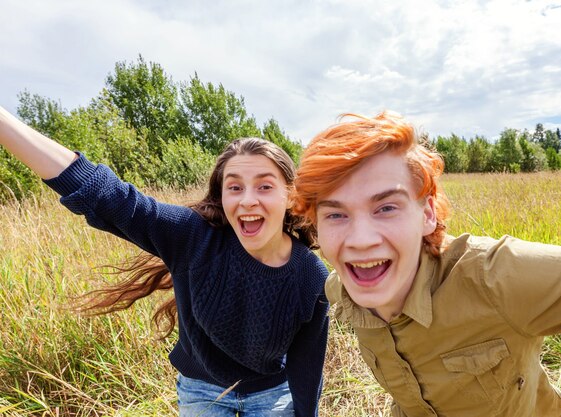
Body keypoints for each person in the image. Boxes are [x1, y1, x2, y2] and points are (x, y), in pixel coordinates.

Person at [0, 106, 329, 417]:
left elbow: (307, 366)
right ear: (222, 195)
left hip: (271, 393)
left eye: (265, 186)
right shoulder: (193, 236)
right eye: (234, 187)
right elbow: (108, 198)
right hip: (202, 391)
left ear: (289, 196)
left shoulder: (310, 275)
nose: (246, 200)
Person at [291, 111, 561, 417]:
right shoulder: (341, 291)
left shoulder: (495, 278)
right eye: (336, 214)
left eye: (386, 208)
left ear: (426, 215)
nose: (361, 239)